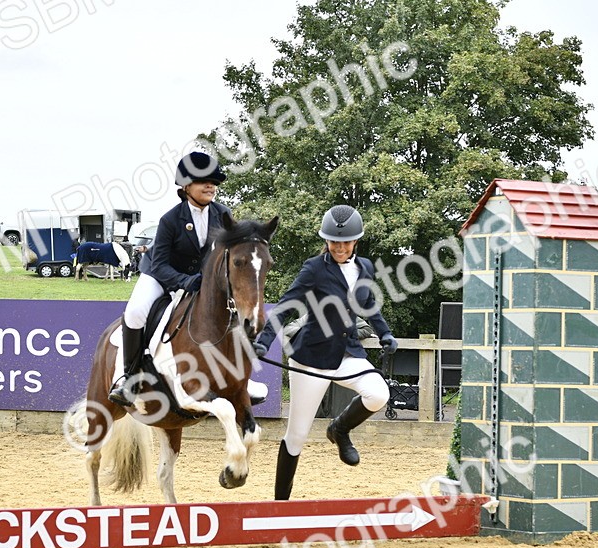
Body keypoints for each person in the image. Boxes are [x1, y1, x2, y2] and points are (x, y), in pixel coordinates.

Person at [252, 204, 397, 500]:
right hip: (312, 358)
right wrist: (265, 341)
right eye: (334, 242)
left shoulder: (365, 268)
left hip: (347, 353)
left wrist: (385, 333)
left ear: (356, 241)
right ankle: (280, 505)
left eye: (345, 242)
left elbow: (368, 304)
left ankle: (339, 430)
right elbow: (286, 305)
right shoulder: (314, 269)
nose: (340, 248)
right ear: (326, 240)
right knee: (296, 437)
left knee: (378, 394)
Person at [108, 152, 232, 407]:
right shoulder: (171, 219)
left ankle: (240, 381)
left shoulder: (223, 214)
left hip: (200, 281)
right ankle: (128, 378)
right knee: (135, 312)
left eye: (214, 182)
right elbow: (159, 265)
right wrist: (185, 281)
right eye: (203, 181)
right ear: (186, 186)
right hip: (160, 276)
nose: (210, 186)